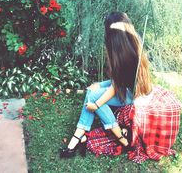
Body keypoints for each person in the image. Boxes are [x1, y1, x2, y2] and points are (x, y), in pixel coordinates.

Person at [60, 11, 152, 158]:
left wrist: (96, 105)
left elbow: (116, 87)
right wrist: (99, 84)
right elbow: (119, 80)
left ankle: (121, 140)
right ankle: (80, 137)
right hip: (125, 87)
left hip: (131, 95)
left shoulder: (125, 55)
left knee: (94, 98)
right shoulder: (130, 43)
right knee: (93, 90)